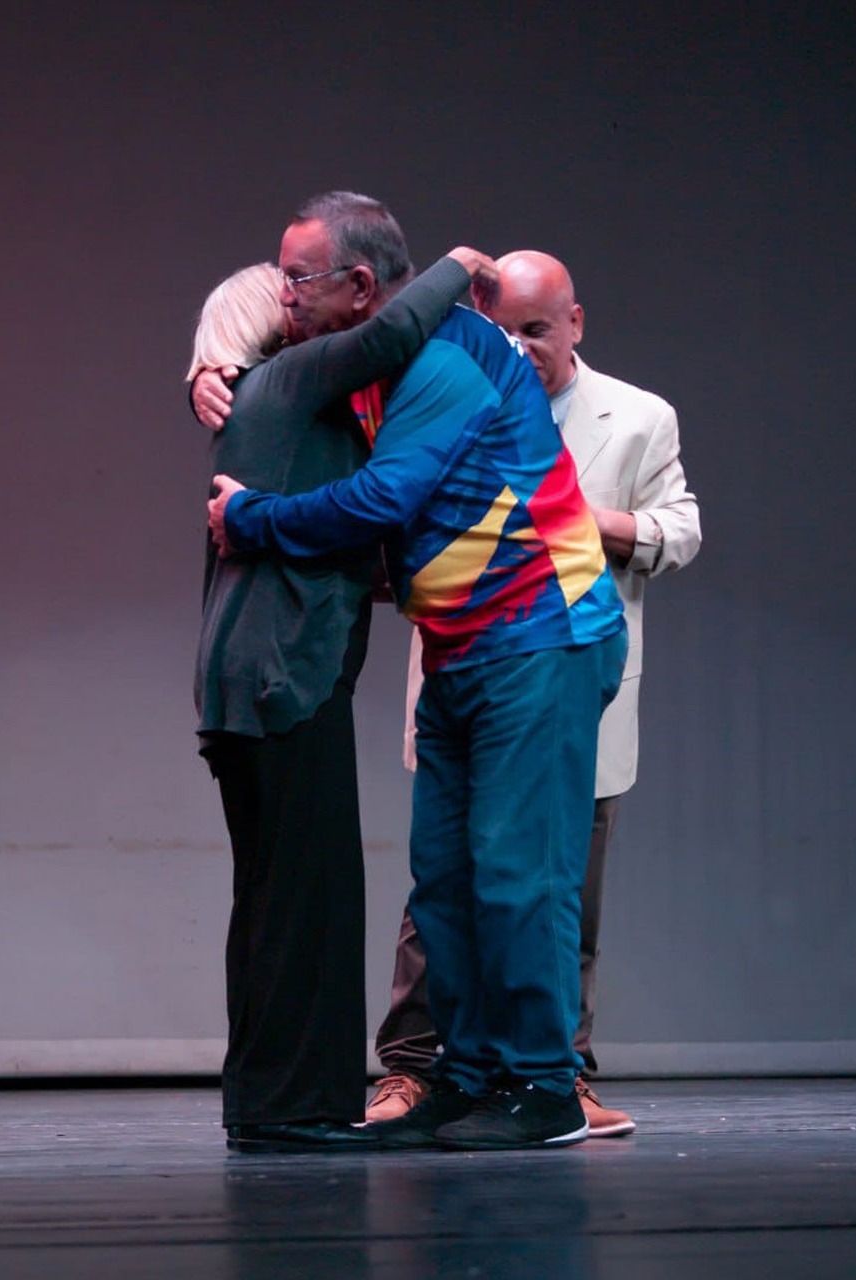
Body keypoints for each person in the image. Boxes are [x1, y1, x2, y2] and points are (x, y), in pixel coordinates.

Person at [208, 190, 628, 1152]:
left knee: (519, 872)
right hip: (463, 646)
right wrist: (210, 364)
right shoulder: (372, 362)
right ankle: (466, 1078)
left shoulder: (447, 357)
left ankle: (542, 1086)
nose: (282, 293)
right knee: (446, 877)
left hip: (543, 636)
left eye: (298, 278)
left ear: (361, 286)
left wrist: (250, 517)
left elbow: (381, 499)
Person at [367, 250, 702, 1137]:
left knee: (548, 891)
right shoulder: (450, 388)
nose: (519, 346)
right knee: (448, 885)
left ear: (575, 323)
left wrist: (579, 522)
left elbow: (681, 529)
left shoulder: (635, 417)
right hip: (468, 665)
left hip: (563, 669)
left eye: (537, 329)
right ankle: (434, 1071)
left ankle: (553, 1081)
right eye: (502, 328)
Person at [188, 221, 495, 1153]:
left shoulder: (263, 401)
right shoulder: (287, 380)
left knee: (276, 900)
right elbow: (390, 332)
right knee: (306, 903)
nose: (296, 302)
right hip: (280, 676)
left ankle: (268, 1105)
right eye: (282, 291)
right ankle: (298, 1109)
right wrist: (461, 263)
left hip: (252, 677)